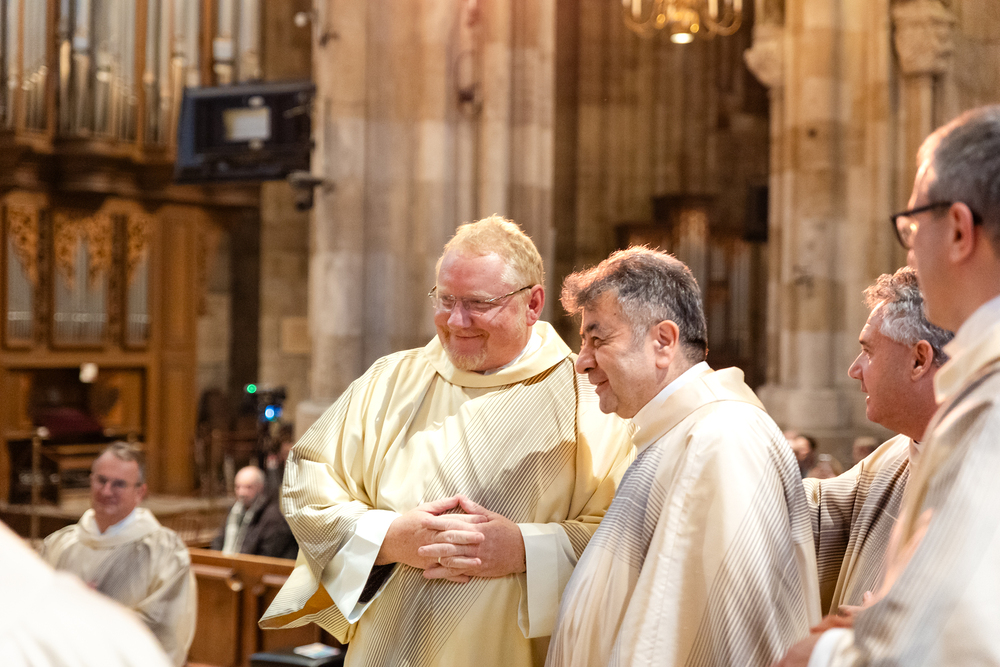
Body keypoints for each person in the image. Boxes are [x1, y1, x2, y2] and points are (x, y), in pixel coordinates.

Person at [259, 216, 634, 667]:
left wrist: (523, 549)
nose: (457, 321)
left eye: (478, 303)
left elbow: (625, 536)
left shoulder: (590, 399)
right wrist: (389, 538)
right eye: (446, 299)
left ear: (532, 303)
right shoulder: (389, 382)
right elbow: (309, 485)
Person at [778, 104, 1000, 665]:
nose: (909, 247)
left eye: (912, 225)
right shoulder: (966, 401)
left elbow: (953, 640)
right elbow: (820, 514)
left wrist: (823, 655)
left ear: (958, 230)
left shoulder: (990, 410)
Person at [546, 247, 820, 667]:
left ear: (663, 341)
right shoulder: (676, 434)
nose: (582, 361)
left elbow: (731, 634)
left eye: (598, 340)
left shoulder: (722, 438)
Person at [805, 266, 952, 615]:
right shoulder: (894, 456)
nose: (854, 370)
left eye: (868, 352)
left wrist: (895, 629)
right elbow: (813, 516)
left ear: (919, 360)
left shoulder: (982, 458)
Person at [39, 442, 196, 666]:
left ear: (140, 492)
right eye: (101, 480)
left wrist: (89, 614)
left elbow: (163, 627)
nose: (106, 491)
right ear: (91, 481)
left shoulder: (165, 552)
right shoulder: (59, 544)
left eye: (119, 484)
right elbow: (34, 609)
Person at [0, 520, 172, 667]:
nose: (106, 494)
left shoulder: (160, 548)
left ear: (140, 494)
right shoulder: (61, 540)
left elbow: (166, 623)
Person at [211, 465, 297, 560]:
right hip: (229, 565)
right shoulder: (234, 512)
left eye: (248, 487)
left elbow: (266, 557)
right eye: (238, 487)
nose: (241, 493)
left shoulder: (273, 518)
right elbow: (218, 542)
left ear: (261, 488)